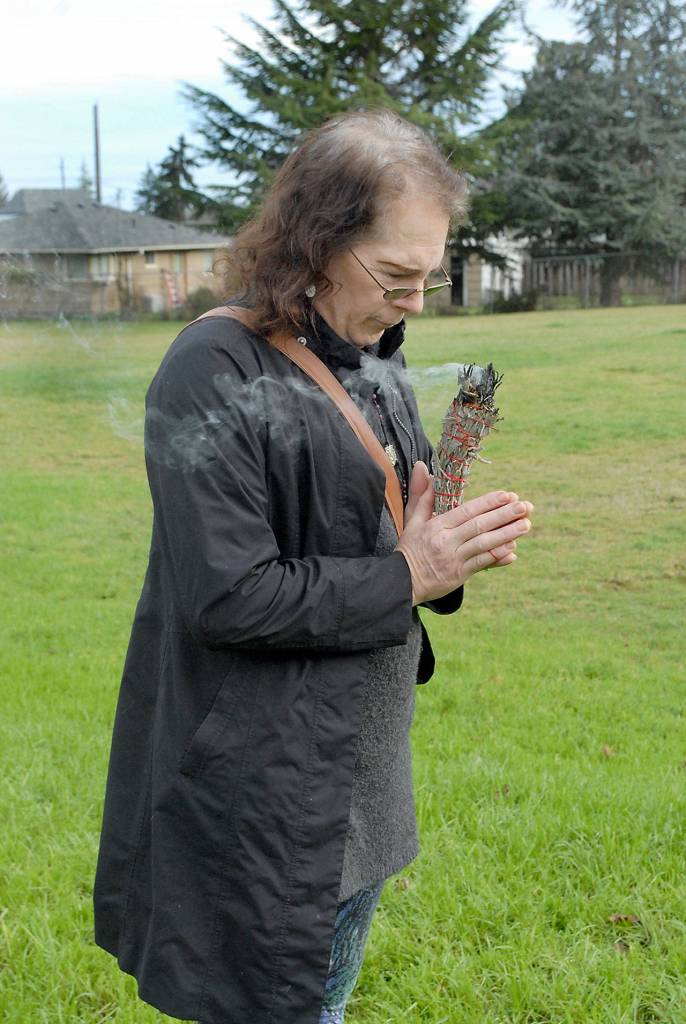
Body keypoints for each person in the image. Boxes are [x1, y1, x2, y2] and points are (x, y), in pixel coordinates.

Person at [93, 109, 533, 1024]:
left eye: (431, 274)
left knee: (321, 996)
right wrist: (407, 573)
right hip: (269, 789)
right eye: (397, 275)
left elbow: (385, 547)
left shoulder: (371, 347)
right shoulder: (210, 369)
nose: (417, 301)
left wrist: (437, 557)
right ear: (315, 247)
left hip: (359, 774)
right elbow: (231, 597)